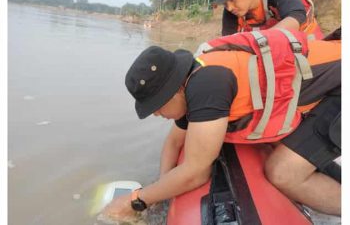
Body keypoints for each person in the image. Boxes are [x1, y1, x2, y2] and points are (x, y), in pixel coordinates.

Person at [101, 29, 340, 220]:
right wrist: (162, 188)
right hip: (326, 88)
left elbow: (195, 173)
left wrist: (136, 200)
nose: (155, 114)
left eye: (156, 106)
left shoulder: (207, 85)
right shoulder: (192, 79)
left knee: (283, 173)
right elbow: (173, 143)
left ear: (173, 92)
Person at [212, 0, 323, 39]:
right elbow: (228, 42)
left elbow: (296, 17)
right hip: (273, 55)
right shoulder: (232, 11)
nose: (229, 7)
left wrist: (255, 42)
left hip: (310, 46)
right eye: (225, 3)